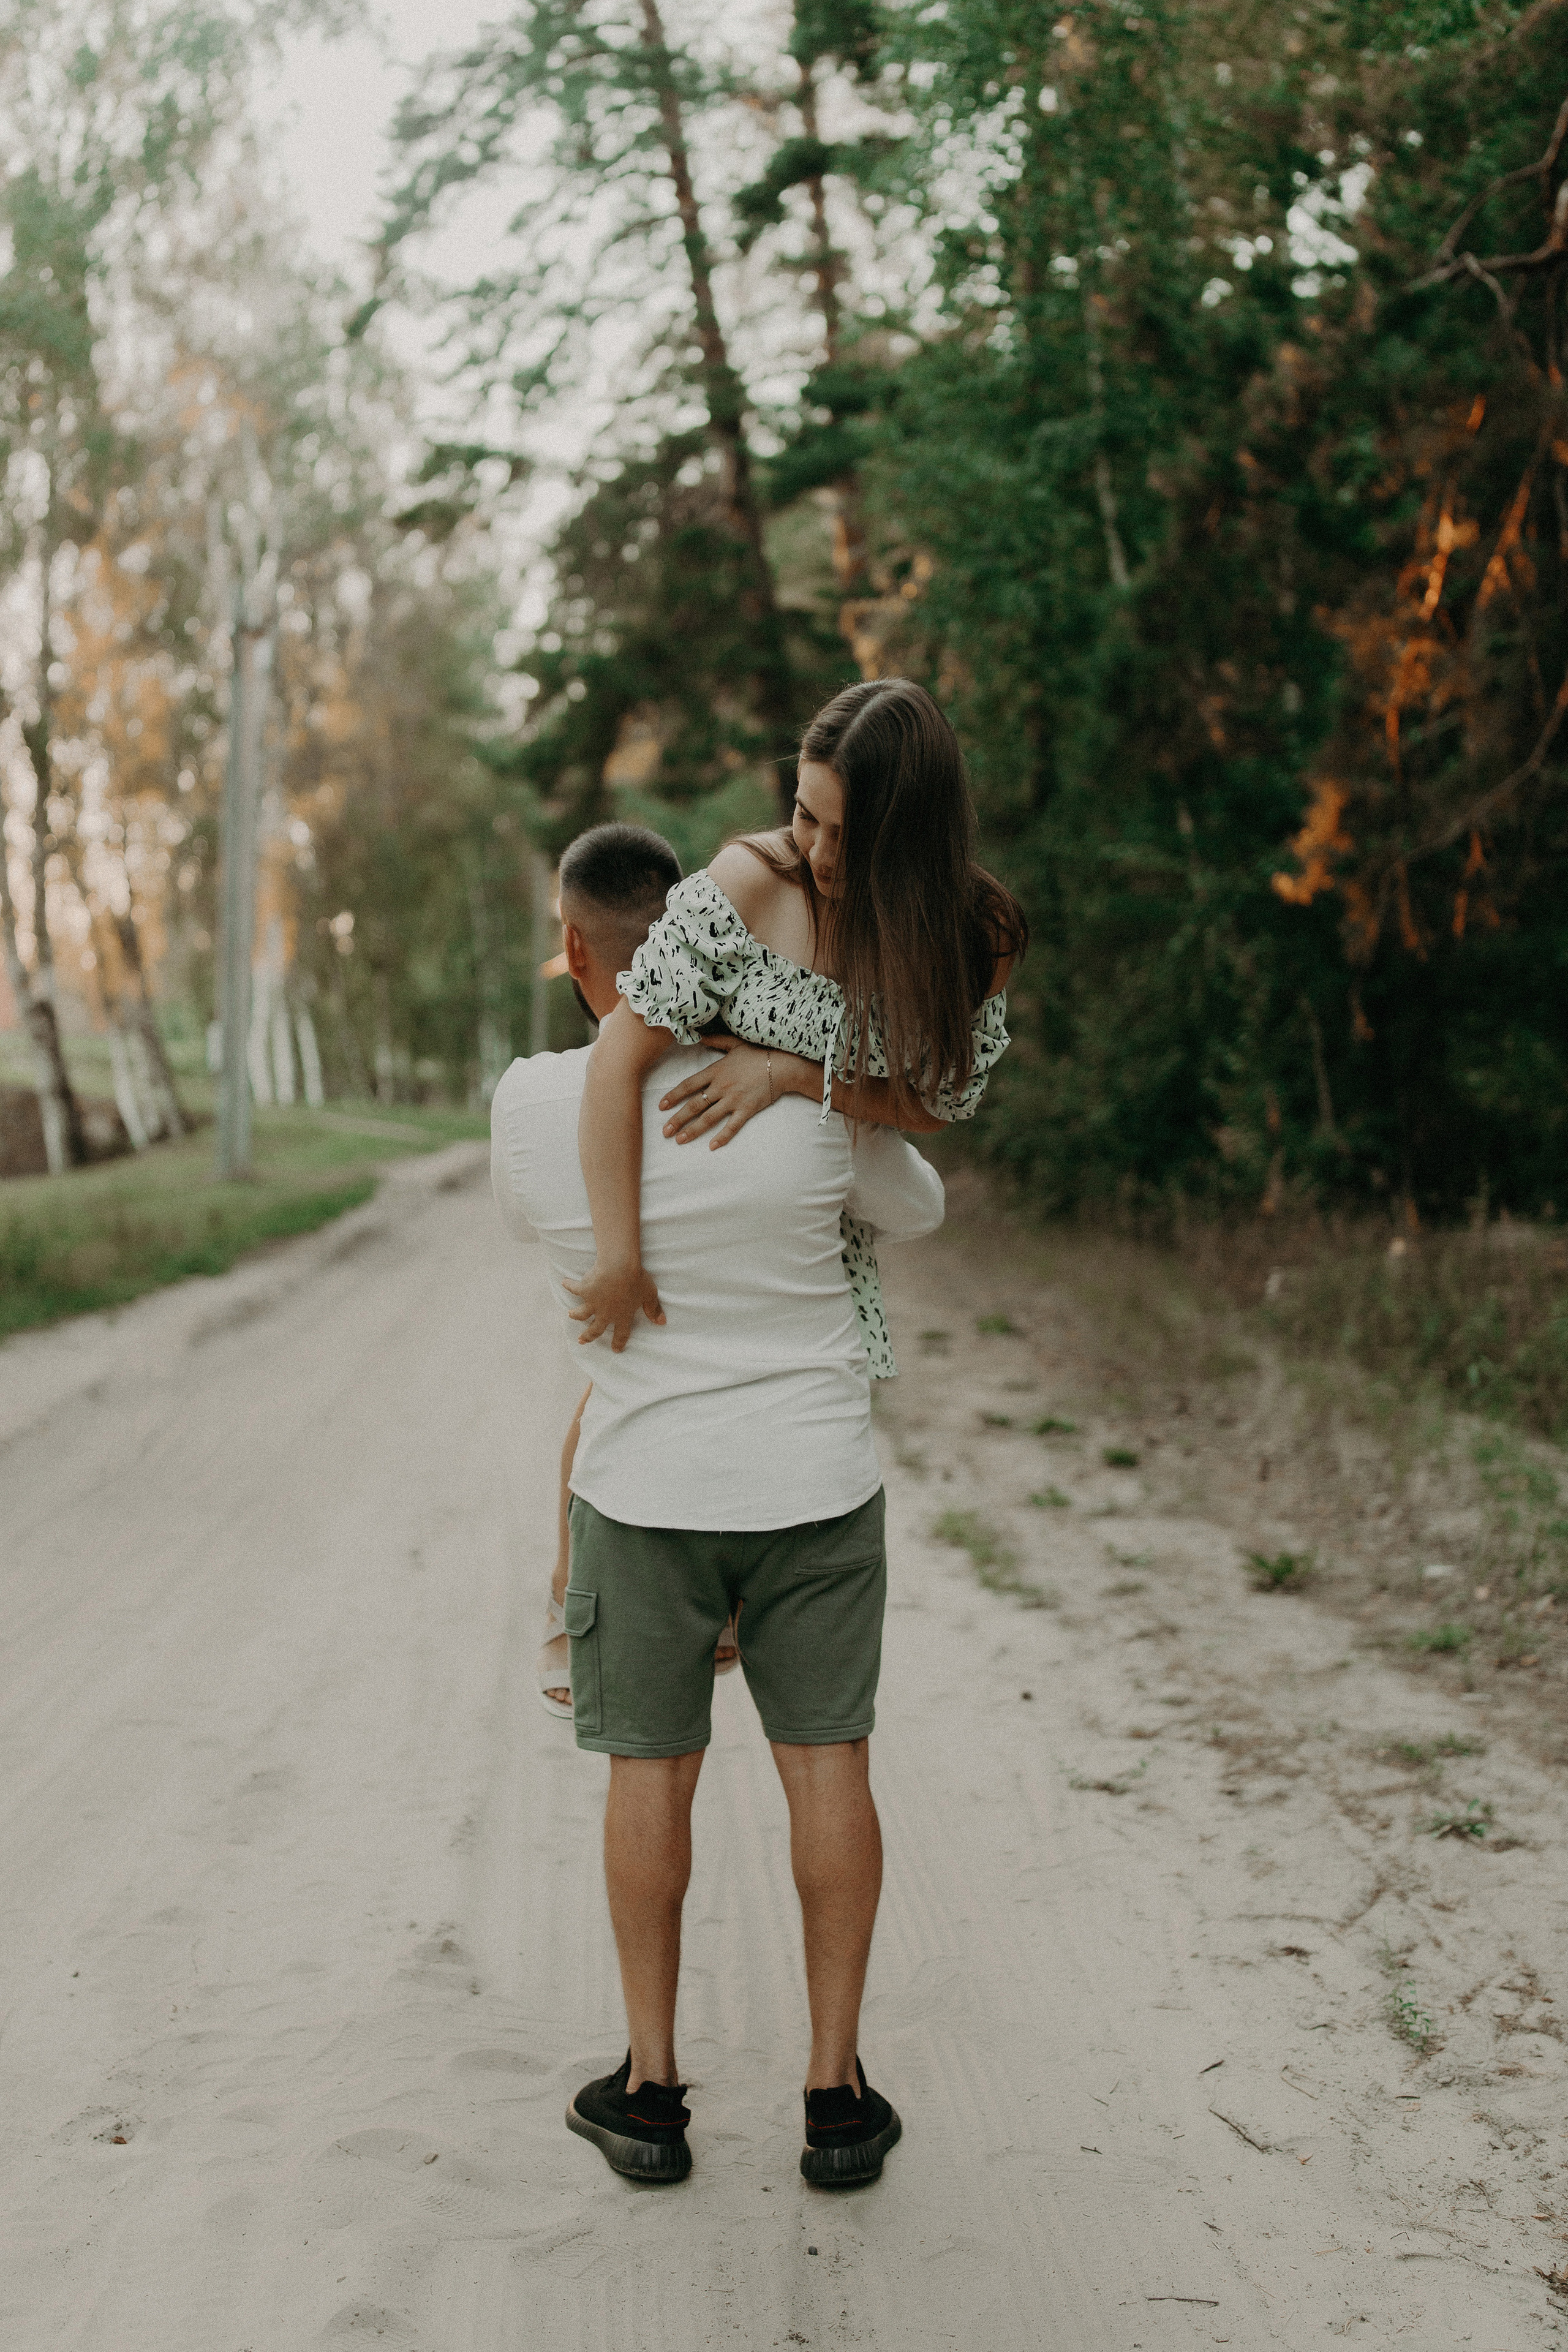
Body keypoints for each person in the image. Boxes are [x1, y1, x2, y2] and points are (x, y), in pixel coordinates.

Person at [490, 818, 946, 2187]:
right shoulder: (804, 1098)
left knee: (650, 1776)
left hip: (643, 1491)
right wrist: (802, 1084)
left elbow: (542, 1229)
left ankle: (647, 2092)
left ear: (576, 950)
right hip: (814, 1482)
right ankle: (834, 2097)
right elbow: (918, 1205)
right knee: (829, 1766)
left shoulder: (530, 1105)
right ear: (707, 939)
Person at [568, 678, 1028, 1376]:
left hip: (822, 1253)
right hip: (693, 1216)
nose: (820, 854)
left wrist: (789, 1073)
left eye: (851, 835)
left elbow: (933, 1105)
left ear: (912, 838)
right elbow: (615, 1057)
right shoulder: (748, 884)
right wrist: (618, 1259)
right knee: (626, 1410)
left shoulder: (975, 937)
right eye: (806, 816)